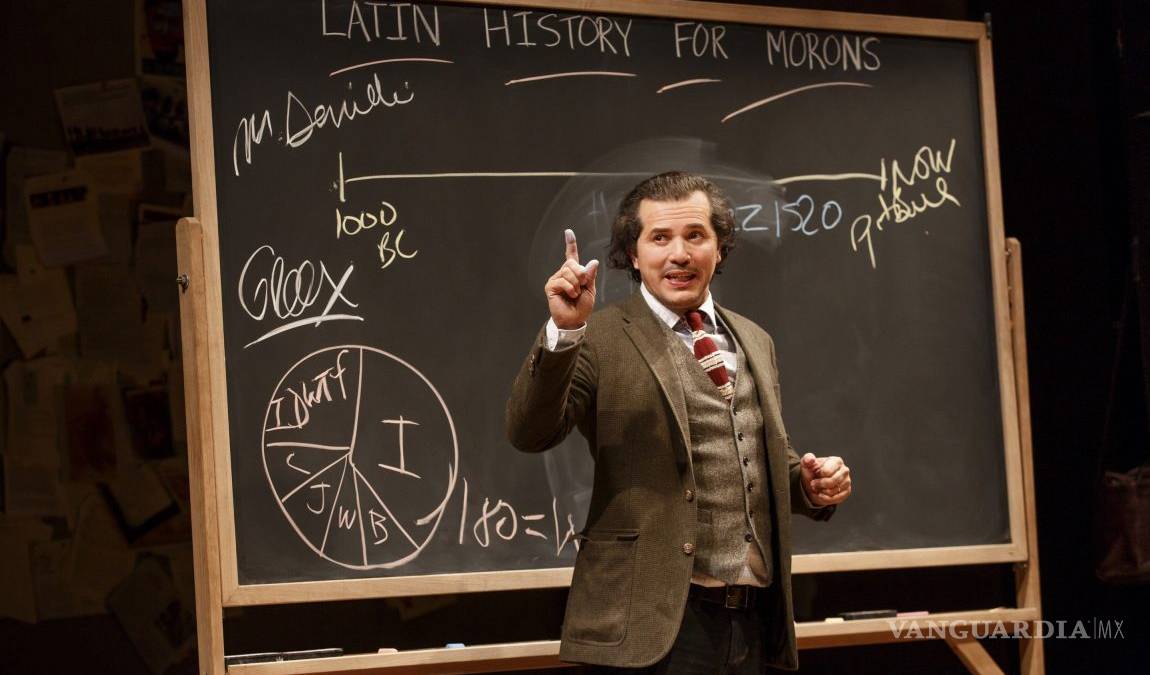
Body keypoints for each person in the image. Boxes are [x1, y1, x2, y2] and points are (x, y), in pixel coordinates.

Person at [506, 171, 852, 673]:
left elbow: (757, 458)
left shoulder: (755, 339)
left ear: (719, 247)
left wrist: (810, 485)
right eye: (660, 238)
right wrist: (564, 331)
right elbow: (529, 432)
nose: (679, 254)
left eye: (695, 235)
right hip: (649, 623)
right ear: (633, 253)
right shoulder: (598, 337)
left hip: (752, 621)